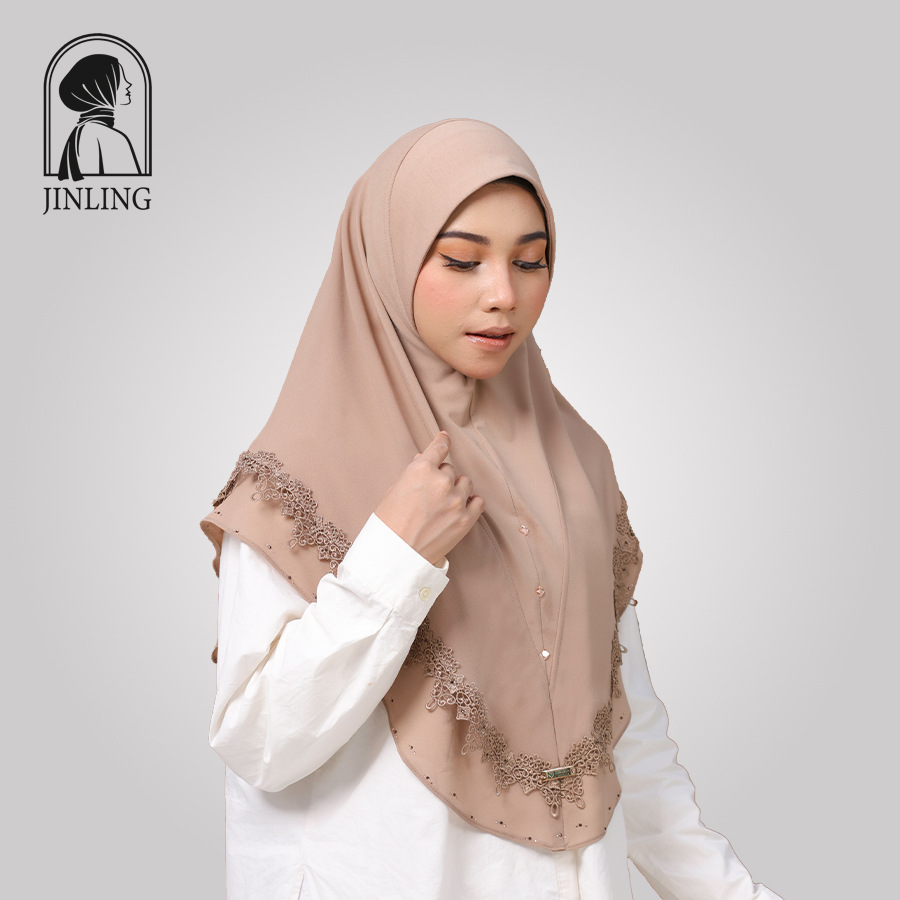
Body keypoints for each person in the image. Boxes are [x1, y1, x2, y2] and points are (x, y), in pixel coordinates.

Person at [201, 118, 782, 899]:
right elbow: (260, 744)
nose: (504, 294)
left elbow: (627, 746)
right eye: (462, 260)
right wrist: (392, 560)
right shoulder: (295, 477)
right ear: (385, 259)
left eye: (530, 260)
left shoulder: (576, 465)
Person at [57, 54, 140, 181]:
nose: (128, 84)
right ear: (101, 87)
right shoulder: (113, 138)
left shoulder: (78, 133)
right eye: (120, 78)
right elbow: (131, 185)